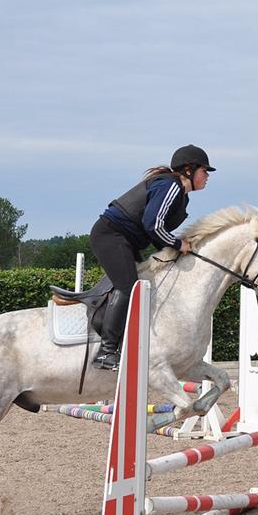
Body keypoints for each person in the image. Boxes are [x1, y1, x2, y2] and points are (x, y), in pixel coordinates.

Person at [89, 144, 215, 369]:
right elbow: (152, 224)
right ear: (189, 170)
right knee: (131, 288)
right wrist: (178, 244)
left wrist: (173, 253)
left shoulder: (181, 196)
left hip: (126, 241)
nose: (207, 176)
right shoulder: (171, 186)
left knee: (145, 284)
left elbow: (156, 233)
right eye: (204, 171)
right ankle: (106, 351)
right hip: (111, 235)